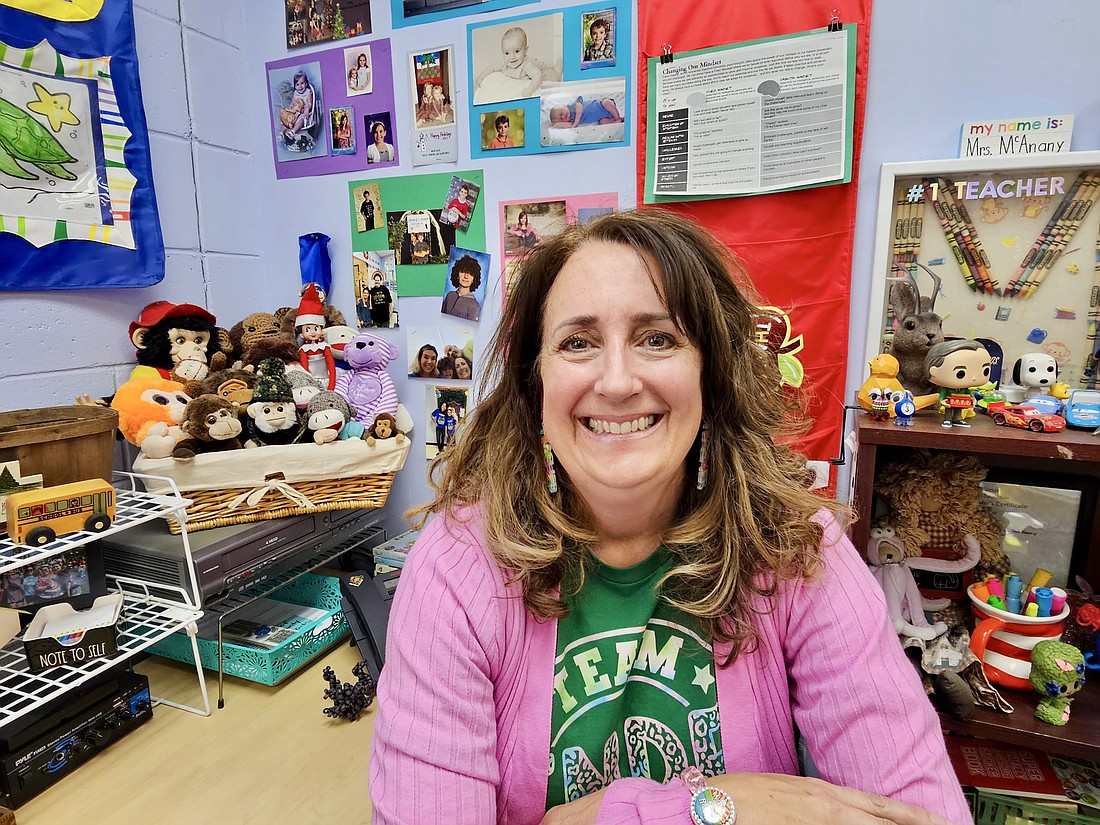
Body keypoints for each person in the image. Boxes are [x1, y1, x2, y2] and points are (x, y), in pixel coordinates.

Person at [370, 209, 970, 825]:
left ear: (712, 372)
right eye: (576, 342)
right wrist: (709, 810)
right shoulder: (456, 569)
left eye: (658, 337)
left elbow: (918, 814)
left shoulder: (795, 550)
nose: (618, 380)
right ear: (536, 382)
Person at [474, 25, 542, 104]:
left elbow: (538, 75)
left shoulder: (526, 65)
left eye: (517, 51)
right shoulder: (504, 62)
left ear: (525, 51)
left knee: (555, 77)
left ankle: (558, 65)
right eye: (507, 53)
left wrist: (529, 90)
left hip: (543, 69)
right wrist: (481, 77)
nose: (511, 57)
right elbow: (492, 68)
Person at [279, 69, 316, 145]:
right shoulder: (295, 93)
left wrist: (307, 109)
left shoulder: (308, 92)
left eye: (302, 83)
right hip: (294, 113)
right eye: (297, 84)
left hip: (303, 114)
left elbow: (309, 104)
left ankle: (293, 132)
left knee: (301, 120)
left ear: (306, 83)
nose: (300, 86)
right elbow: (292, 103)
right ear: (295, 86)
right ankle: (281, 133)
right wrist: (290, 108)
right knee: (286, 121)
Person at [441, 254, 482, 322]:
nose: (466, 276)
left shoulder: (474, 306)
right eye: (463, 272)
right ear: (457, 275)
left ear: (474, 279)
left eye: (470, 274)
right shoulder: (449, 295)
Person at [550, 95, 623, 128]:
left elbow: (579, 109)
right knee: (602, 122)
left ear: (564, 106)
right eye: (561, 119)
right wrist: (556, 125)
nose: (563, 117)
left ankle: (617, 118)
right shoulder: (571, 120)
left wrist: (575, 123)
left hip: (603, 105)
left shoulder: (573, 105)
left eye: (561, 114)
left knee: (606, 102)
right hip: (604, 116)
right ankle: (617, 120)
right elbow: (570, 126)